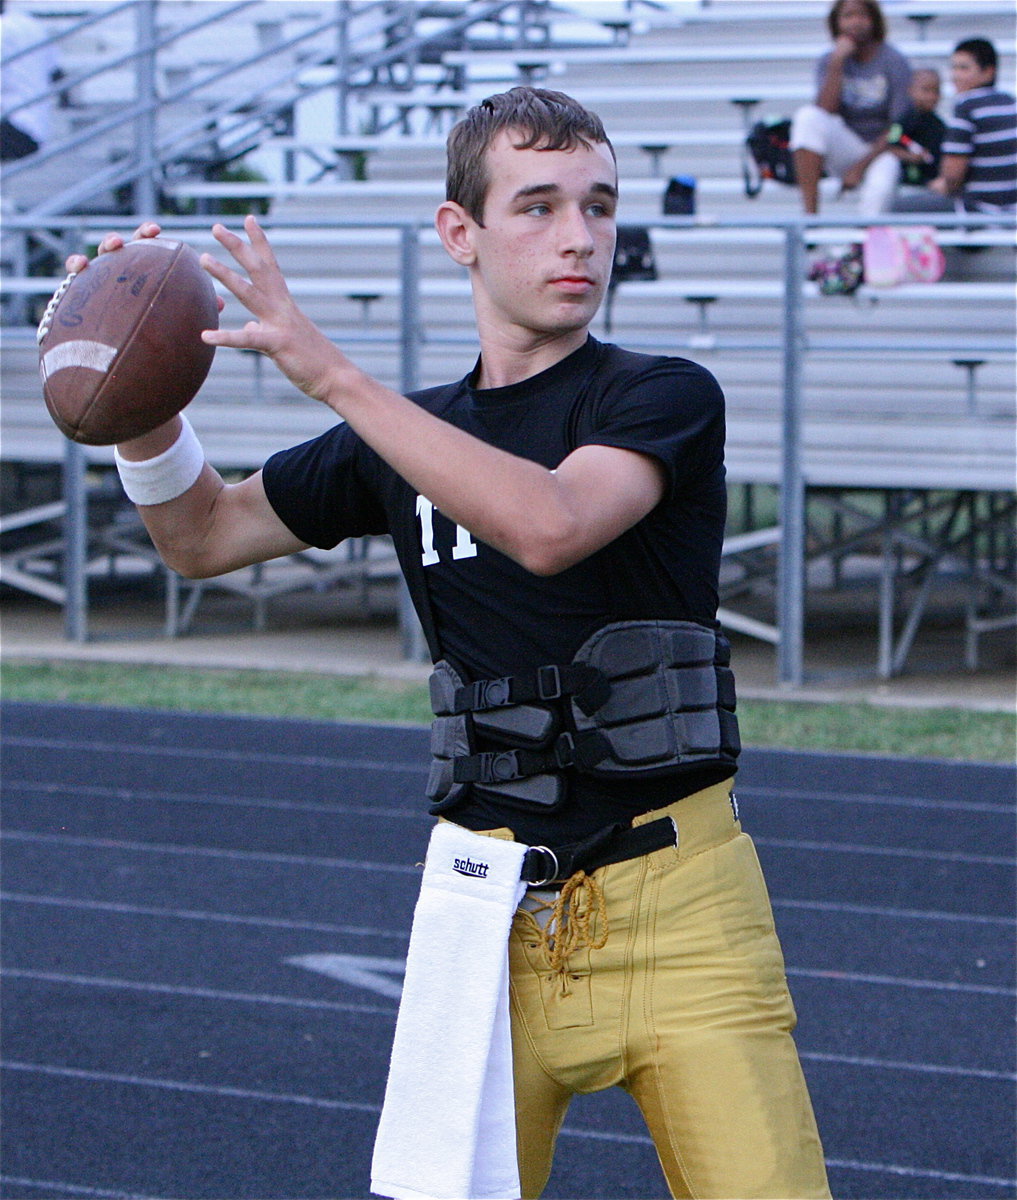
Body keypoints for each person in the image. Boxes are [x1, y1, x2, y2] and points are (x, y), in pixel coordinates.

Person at [66, 87, 831, 1199]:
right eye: (537, 206)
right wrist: (140, 393)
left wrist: (330, 373)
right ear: (458, 233)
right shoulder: (406, 432)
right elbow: (201, 536)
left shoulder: (661, 395)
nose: (579, 236)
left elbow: (550, 525)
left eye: (598, 204)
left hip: (682, 902)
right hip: (484, 910)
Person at [790, 0, 911, 214]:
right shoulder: (830, 60)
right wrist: (837, 63)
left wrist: (860, 167)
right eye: (848, 16)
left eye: (862, 15)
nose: (855, 22)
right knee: (807, 117)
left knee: (881, 187)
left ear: (874, 20)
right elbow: (824, 111)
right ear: (836, 23)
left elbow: (897, 127)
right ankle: (810, 218)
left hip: (882, 149)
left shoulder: (894, 60)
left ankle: (861, 245)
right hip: (847, 144)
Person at [895, 38, 1017, 215]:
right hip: (1012, 208)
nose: (955, 76)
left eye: (963, 68)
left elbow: (952, 177)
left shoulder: (967, 106)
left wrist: (940, 184)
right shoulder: (1010, 103)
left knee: (897, 208)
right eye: (954, 68)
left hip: (977, 209)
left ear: (989, 72)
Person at [0, 0, 58, 162]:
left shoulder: (4, 30)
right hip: (36, 130)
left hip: (13, 128)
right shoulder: (33, 24)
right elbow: (56, 72)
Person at [883, 66, 946, 190]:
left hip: (933, 182)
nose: (931, 96)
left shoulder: (939, 125)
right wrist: (910, 157)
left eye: (936, 91)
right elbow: (890, 145)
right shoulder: (902, 121)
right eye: (926, 90)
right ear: (911, 90)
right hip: (907, 183)